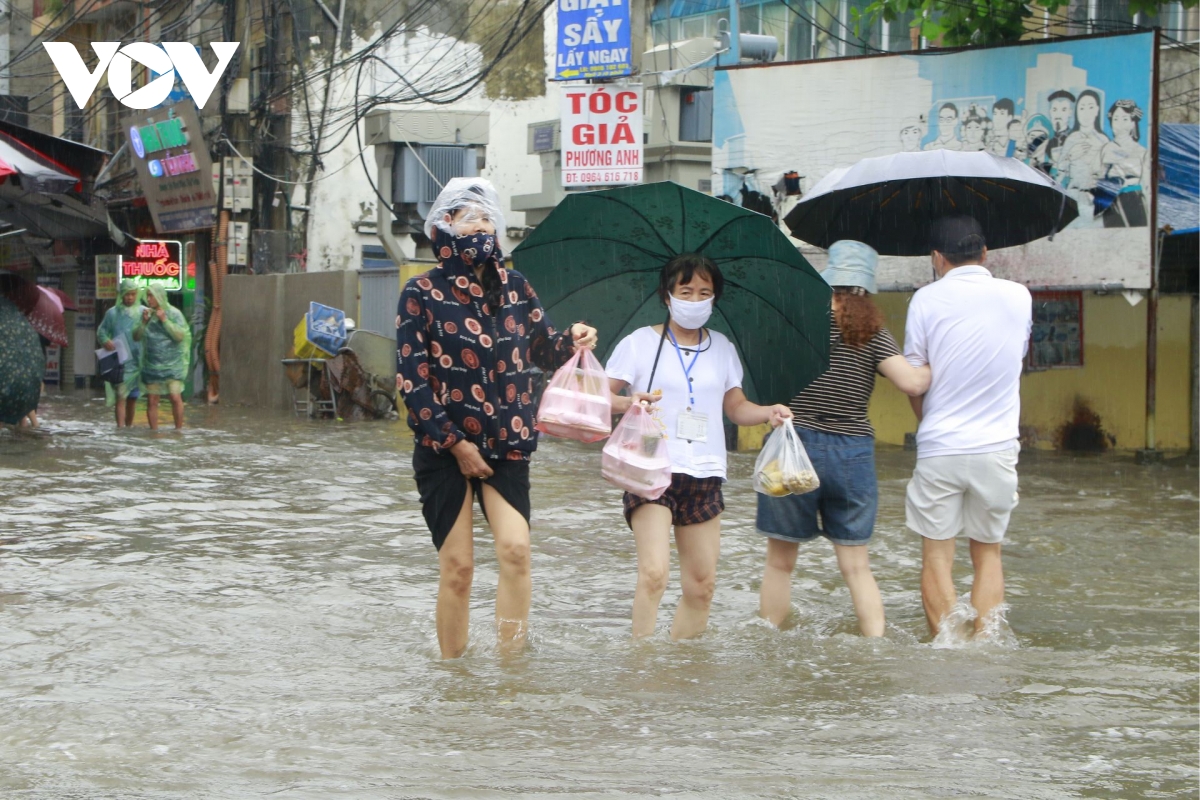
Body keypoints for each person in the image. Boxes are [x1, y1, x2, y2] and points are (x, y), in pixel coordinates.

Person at [395, 177, 598, 660]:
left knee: (516, 551)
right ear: (443, 227)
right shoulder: (420, 293)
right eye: (470, 219)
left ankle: (511, 668)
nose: (482, 227)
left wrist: (574, 338)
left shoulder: (517, 288)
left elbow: (544, 351)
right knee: (459, 567)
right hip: (444, 450)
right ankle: (453, 674)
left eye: (489, 218)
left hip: (507, 443)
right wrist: (454, 444)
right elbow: (412, 379)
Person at [605, 253, 792, 640]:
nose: (695, 300)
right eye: (685, 291)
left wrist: (768, 412)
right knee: (655, 574)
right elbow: (602, 397)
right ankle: (641, 667)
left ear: (714, 299)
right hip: (651, 465)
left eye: (704, 292)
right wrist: (630, 401)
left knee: (702, 585)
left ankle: (682, 670)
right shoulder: (639, 343)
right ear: (667, 295)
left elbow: (736, 407)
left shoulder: (722, 347)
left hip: (705, 471)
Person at [756, 241, 930, 637]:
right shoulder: (870, 331)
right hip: (850, 452)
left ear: (826, 280)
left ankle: (767, 646)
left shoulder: (796, 320)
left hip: (792, 445)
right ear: (866, 289)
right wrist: (942, 360)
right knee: (856, 566)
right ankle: (874, 646)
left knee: (779, 562)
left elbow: (763, 376)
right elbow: (911, 382)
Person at [903, 217, 1031, 639]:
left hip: (941, 445)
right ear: (985, 253)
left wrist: (930, 424)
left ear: (937, 258)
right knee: (989, 555)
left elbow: (915, 378)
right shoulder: (1019, 296)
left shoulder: (924, 299)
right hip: (997, 447)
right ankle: (985, 645)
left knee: (937, 557)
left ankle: (948, 650)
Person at [134, 284, 190, 431]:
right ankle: (154, 433)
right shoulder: (146, 315)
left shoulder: (174, 313)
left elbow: (180, 336)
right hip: (152, 366)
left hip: (173, 367)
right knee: (152, 400)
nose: (149, 299)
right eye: (147, 296)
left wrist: (165, 320)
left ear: (160, 296)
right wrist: (143, 322)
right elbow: (136, 336)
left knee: (175, 397)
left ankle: (178, 430)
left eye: (151, 295)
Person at [96, 279, 144, 427]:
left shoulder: (143, 312)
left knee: (132, 399)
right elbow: (101, 331)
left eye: (132, 294)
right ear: (121, 295)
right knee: (121, 396)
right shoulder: (113, 313)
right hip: (120, 361)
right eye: (126, 294)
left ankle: (128, 427)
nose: (129, 298)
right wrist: (105, 341)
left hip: (137, 363)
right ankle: (120, 428)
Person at [1098, 99, 1148, 228]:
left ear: (1133, 123)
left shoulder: (1141, 151)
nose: (1119, 124)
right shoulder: (1107, 148)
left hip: (1133, 198)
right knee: (1113, 237)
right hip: (1109, 200)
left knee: (1137, 234)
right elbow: (1100, 175)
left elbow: (1146, 182)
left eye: (1125, 119)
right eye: (1115, 119)